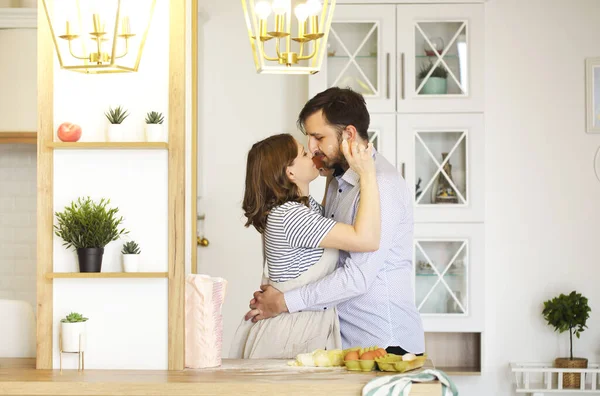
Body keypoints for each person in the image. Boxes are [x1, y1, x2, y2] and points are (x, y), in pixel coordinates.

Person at [245, 87, 425, 356]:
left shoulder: (380, 186)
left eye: (318, 137)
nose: (312, 148)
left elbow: (358, 277)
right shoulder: (336, 177)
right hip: (340, 340)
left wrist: (284, 301)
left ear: (349, 135)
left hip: (382, 342)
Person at [229, 132, 381, 358]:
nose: (311, 153)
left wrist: (332, 168)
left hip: (299, 328)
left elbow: (328, 210)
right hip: (290, 335)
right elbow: (365, 239)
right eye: (303, 153)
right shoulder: (291, 216)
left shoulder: (304, 211)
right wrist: (367, 174)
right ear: (290, 172)